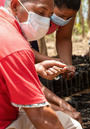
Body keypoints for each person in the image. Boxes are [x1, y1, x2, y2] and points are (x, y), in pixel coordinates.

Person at [0, 0, 82, 128]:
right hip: (4, 122)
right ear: (15, 6)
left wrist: (34, 68)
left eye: (49, 15)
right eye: (41, 12)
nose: (45, 21)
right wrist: (60, 108)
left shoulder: (4, 21)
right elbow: (40, 116)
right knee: (71, 125)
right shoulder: (17, 47)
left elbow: (14, 73)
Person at [30, 0, 81, 80]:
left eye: (68, 17)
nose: (64, 20)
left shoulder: (68, 12)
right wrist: (53, 61)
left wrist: (67, 65)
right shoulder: (30, 10)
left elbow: (64, 38)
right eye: (61, 16)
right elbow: (19, 48)